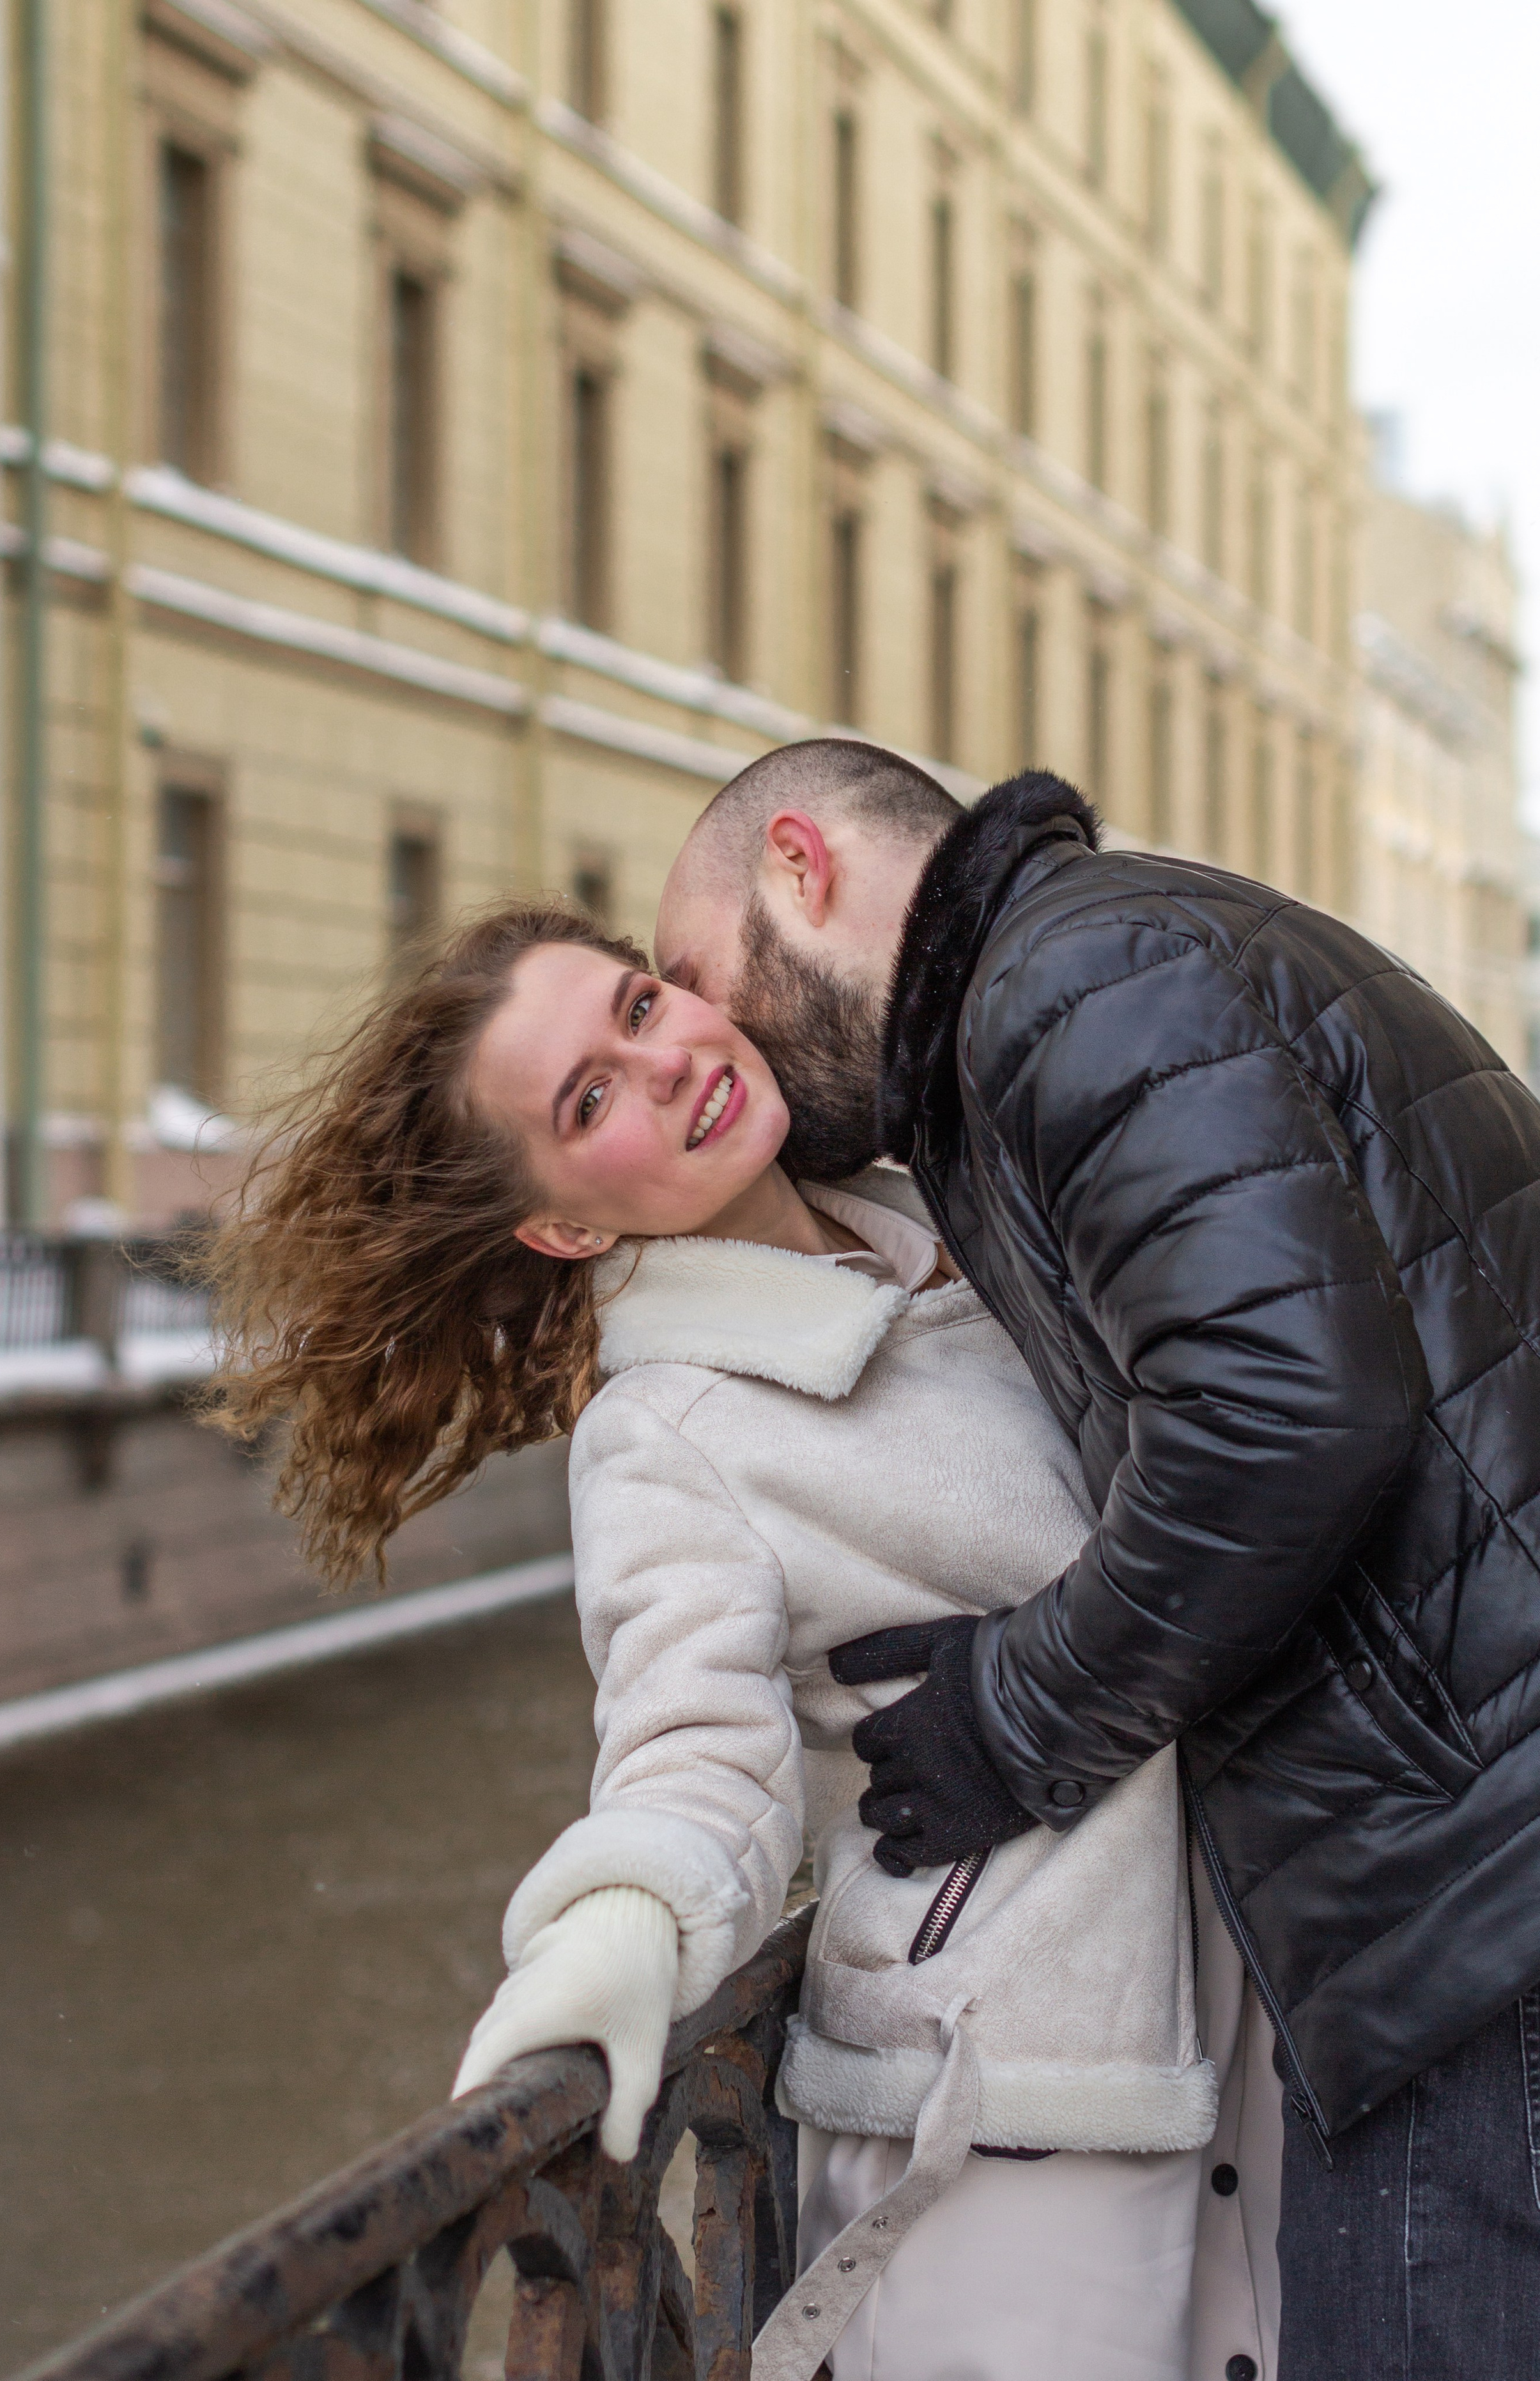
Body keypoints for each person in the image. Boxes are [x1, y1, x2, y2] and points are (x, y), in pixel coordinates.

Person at [204, 899, 1277, 2381]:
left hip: (1244, 1992)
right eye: (587, 1099)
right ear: (567, 1224)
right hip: (1007, 2101)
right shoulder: (666, 1432)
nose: (664, 1064)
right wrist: (619, 1927)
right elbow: (692, 1749)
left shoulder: (950, 1222)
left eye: (638, 1007)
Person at [654, 736, 1540, 2381]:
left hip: (1470, 1884)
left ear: (800, 864)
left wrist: (1014, 1719)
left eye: (695, 980)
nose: (722, 1047)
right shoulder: (1095, 966)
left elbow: (1283, 1410)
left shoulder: (1067, 987)